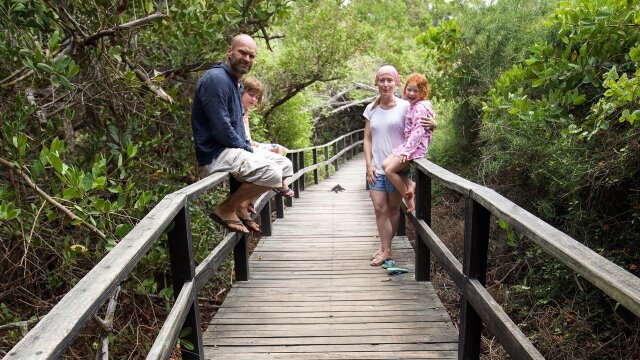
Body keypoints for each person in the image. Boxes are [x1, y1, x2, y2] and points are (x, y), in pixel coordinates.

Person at [191, 34, 281, 234]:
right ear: (229, 51)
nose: (247, 59)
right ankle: (226, 208)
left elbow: (237, 126)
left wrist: (248, 148)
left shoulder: (235, 82)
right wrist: (248, 149)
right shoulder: (217, 80)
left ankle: (241, 204)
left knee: (282, 164)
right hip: (216, 153)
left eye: (251, 55)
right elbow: (221, 129)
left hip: (230, 149)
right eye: (242, 52)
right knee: (273, 173)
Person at [364, 65, 437, 266]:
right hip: (377, 167)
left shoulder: (407, 105)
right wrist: (368, 164)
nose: (385, 84)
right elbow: (367, 138)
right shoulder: (371, 108)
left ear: (396, 83)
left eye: (389, 80)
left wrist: (434, 124)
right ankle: (385, 249)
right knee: (379, 208)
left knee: (394, 210)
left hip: (398, 167)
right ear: (376, 83)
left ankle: (386, 249)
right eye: (382, 80)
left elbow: (423, 122)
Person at [240, 76, 295, 214]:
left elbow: (247, 138)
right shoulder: (237, 111)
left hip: (248, 145)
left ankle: (252, 199)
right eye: (250, 95)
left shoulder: (245, 112)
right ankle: (278, 185)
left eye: (256, 97)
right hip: (243, 149)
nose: (253, 99)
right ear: (241, 92)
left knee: (281, 152)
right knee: (276, 166)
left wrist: (262, 145)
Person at [382, 73, 434, 213]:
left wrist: (406, 151)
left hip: (415, 148)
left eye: (415, 91)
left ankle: (409, 200)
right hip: (408, 146)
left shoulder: (419, 108)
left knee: (389, 170)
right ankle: (411, 184)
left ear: (422, 92)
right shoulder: (413, 105)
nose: (411, 93)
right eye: (408, 90)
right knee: (384, 164)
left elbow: (419, 132)